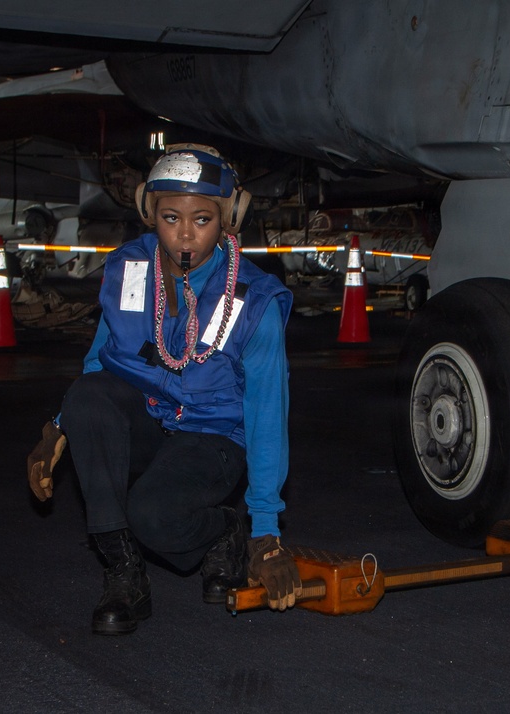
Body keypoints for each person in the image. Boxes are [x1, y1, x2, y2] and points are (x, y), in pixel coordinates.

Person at [27, 144, 302, 635]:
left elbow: (266, 414)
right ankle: (123, 573)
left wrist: (265, 532)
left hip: (214, 438)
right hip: (151, 421)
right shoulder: (127, 271)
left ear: (229, 220)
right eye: (171, 217)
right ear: (149, 213)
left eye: (203, 219)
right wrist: (58, 429)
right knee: (89, 397)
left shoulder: (254, 301)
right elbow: (100, 361)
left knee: (154, 516)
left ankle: (227, 530)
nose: (185, 234)